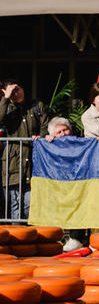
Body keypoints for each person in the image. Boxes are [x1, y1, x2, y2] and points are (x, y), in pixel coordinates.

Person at [0, 80, 48, 221]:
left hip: (33, 161)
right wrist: (6, 98)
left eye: (17, 89)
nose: (16, 94)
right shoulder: (6, 107)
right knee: (14, 206)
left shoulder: (37, 106)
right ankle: (17, 234)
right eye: (12, 92)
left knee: (29, 205)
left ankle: (30, 233)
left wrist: (40, 137)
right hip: (13, 163)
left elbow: (45, 126)